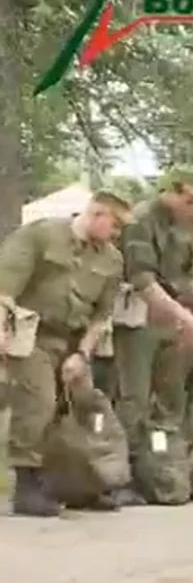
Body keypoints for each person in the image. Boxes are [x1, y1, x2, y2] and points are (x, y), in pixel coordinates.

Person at [0, 190, 132, 516]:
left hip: (74, 342)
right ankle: (27, 484)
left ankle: (79, 483)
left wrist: (82, 355)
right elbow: (5, 289)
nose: (116, 236)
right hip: (31, 335)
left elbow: (102, 316)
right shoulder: (40, 235)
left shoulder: (112, 259)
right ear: (96, 213)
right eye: (114, 226)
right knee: (39, 403)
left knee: (85, 408)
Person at [114, 166, 193, 505]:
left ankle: (167, 471)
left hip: (171, 317)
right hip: (138, 317)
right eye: (191, 200)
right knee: (134, 396)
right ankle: (124, 476)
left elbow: (192, 276)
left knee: (172, 397)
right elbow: (142, 279)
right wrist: (185, 317)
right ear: (173, 192)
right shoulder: (141, 220)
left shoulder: (184, 226)